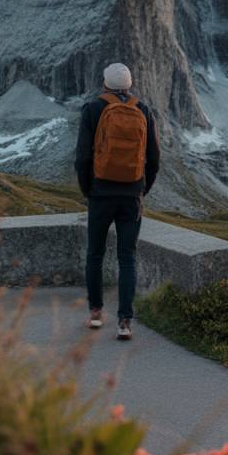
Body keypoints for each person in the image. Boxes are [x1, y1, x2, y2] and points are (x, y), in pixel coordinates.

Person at [74, 62, 161, 340]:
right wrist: (141, 189)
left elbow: (82, 157)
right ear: (129, 84)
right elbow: (154, 158)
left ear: (105, 84)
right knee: (127, 258)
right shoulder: (143, 110)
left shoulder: (93, 109)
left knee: (95, 254)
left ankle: (96, 314)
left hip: (100, 193)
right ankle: (125, 322)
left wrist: (88, 189)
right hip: (131, 194)